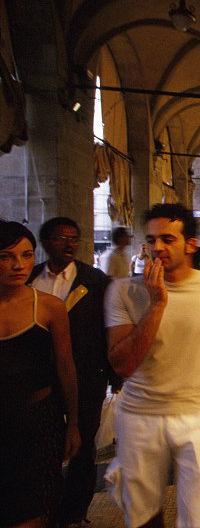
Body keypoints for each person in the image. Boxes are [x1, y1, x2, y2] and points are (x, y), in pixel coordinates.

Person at [104, 203, 200, 528]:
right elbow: (123, 364)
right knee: (141, 515)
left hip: (198, 414)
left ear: (190, 244)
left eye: (167, 239)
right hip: (140, 415)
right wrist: (156, 304)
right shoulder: (123, 291)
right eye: (151, 240)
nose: (158, 248)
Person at [29, 216, 118, 528]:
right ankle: (47, 506)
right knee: (47, 444)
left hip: (87, 376)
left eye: (73, 238)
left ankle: (75, 511)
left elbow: (108, 329)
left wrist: (114, 375)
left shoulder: (94, 280)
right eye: (59, 238)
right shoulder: (30, 279)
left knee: (82, 445)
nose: (68, 244)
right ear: (44, 243)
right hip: (41, 380)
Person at [0, 221, 80, 527]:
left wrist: (72, 424)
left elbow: (65, 365)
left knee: (35, 510)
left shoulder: (48, 307)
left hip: (37, 422)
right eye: (6, 256)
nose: (19, 265)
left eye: (27, 255)